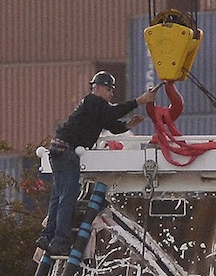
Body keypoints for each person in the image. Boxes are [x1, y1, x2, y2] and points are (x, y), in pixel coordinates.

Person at [36, 71, 157, 256]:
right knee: (67, 197)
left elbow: (111, 123)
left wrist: (128, 125)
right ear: (98, 88)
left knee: (58, 197)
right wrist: (140, 100)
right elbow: (112, 112)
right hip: (67, 152)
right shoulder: (93, 101)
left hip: (58, 150)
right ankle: (61, 241)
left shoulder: (93, 107)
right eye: (109, 90)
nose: (111, 94)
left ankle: (47, 235)